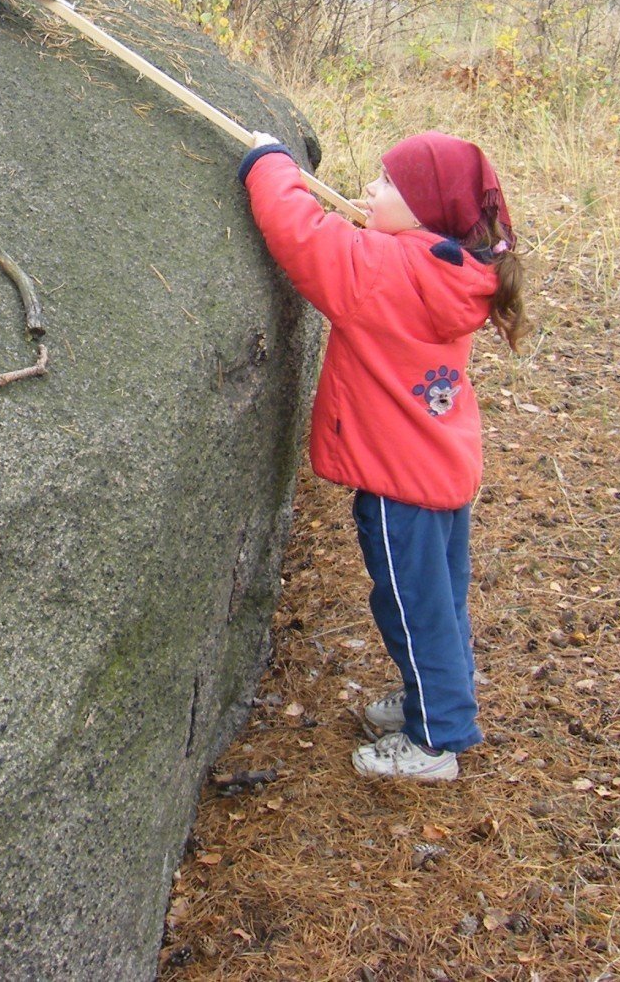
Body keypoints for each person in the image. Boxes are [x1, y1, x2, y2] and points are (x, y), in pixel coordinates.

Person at [241, 131, 527, 781]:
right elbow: (356, 246)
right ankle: (438, 695)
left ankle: (437, 740)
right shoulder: (444, 265)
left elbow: (304, 238)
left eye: (389, 184)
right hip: (435, 475)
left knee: (411, 604)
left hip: (403, 488)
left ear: (427, 212)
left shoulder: (389, 271)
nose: (370, 189)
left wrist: (268, 165)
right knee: (437, 601)